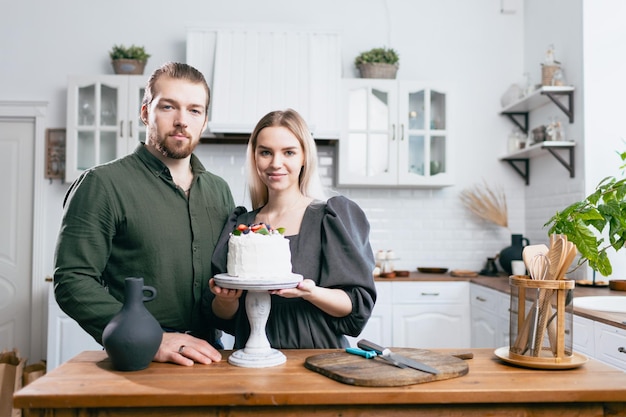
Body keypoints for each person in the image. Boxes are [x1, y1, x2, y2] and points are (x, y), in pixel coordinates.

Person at [54, 62, 235, 366]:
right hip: (137, 355)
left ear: (204, 121)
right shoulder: (102, 184)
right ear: (144, 112)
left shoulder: (220, 191)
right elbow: (72, 280)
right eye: (168, 107)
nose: (181, 121)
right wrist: (151, 339)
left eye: (194, 110)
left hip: (210, 354)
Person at [205, 109, 376, 349]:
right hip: (251, 356)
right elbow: (225, 317)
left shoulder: (330, 218)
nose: (276, 163)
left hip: (315, 357)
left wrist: (309, 292)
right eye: (265, 152)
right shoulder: (240, 226)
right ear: (254, 157)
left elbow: (355, 305)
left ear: (304, 157)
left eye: (289, 152)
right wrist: (225, 300)